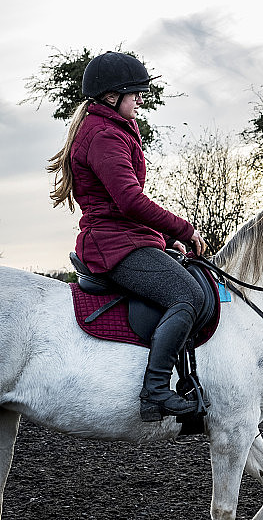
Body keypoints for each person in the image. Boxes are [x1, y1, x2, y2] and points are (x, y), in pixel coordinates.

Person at [47, 51, 208, 422]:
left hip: (125, 238)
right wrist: (182, 228)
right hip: (112, 246)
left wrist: (165, 241)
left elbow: (124, 207)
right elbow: (130, 200)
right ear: (110, 96)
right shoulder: (105, 135)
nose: (140, 99)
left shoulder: (111, 128)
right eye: (134, 93)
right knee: (187, 295)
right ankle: (154, 392)